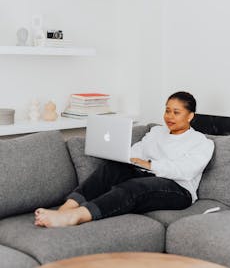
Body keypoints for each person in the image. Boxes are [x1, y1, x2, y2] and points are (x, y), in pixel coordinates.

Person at [34, 91, 214, 228]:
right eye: (167, 111)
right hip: (148, 176)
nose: (169, 117)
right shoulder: (157, 131)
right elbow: (138, 151)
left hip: (179, 190)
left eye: (176, 112)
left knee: (135, 187)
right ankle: (66, 207)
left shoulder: (202, 142)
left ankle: (77, 216)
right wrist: (124, 156)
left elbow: (186, 170)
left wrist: (150, 165)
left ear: (190, 116)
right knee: (113, 168)